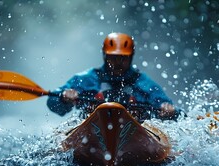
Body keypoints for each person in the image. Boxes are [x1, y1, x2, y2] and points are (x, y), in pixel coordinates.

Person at [47, 32, 178, 120]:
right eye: (113, 58)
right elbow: (53, 104)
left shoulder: (144, 83)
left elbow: (167, 107)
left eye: (123, 58)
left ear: (131, 57)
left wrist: (168, 110)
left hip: (133, 133)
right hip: (93, 131)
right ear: (105, 56)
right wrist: (64, 98)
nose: (118, 63)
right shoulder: (87, 79)